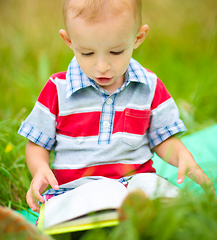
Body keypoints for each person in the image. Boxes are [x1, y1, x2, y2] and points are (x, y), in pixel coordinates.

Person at [18, 0, 213, 213]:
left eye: (117, 52)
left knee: (160, 196)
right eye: (88, 53)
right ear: (69, 40)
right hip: (75, 189)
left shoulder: (149, 87)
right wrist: (40, 169)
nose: (102, 66)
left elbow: (164, 139)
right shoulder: (57, 89)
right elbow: (38, 143)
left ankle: (145, 215)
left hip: (137, 182)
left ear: (138, 38)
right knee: (77, 212)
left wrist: (183, 156)